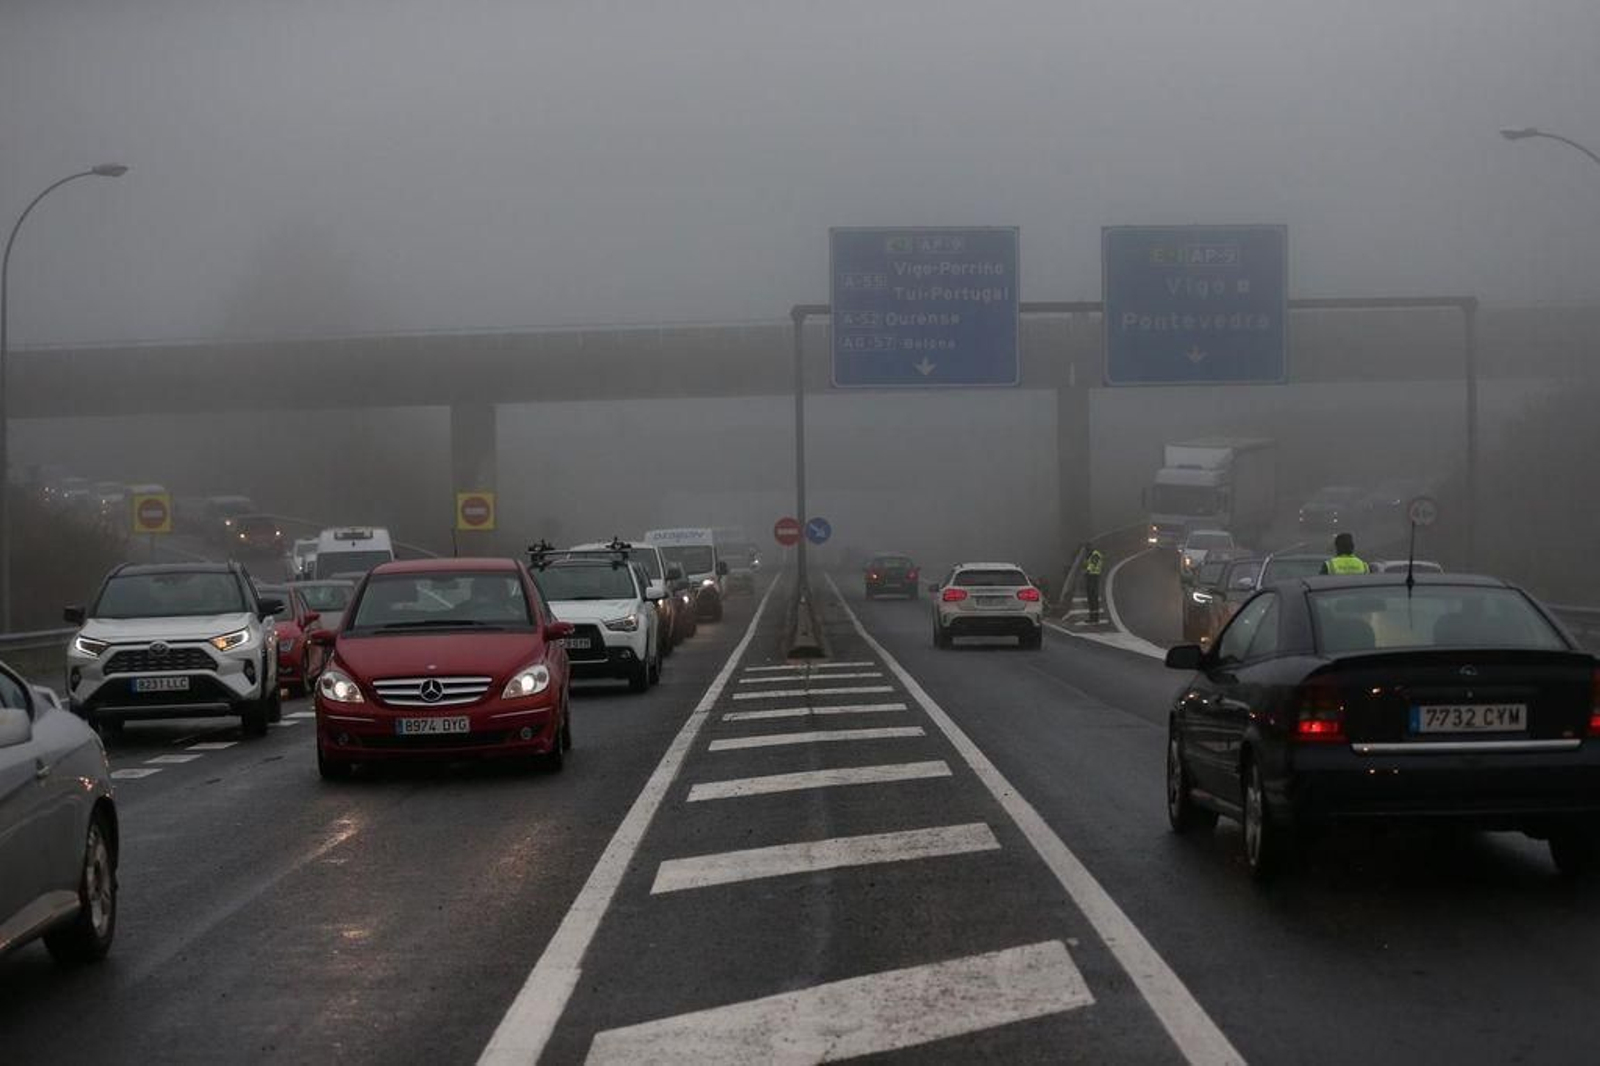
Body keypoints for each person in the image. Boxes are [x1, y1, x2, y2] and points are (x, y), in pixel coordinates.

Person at [1083, 545, 1105, 624]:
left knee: (1093, 598)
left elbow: (1092, 565)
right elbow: (1087, 564)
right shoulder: (1092, 555)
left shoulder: (1095, 555)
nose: (1086, 552)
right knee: (1091, 598)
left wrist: (1087, 571)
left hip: (1093, 577)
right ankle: (1092, 617)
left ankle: (1095, 618)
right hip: (1091, 577)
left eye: (1087, 551)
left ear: (1090, 549)